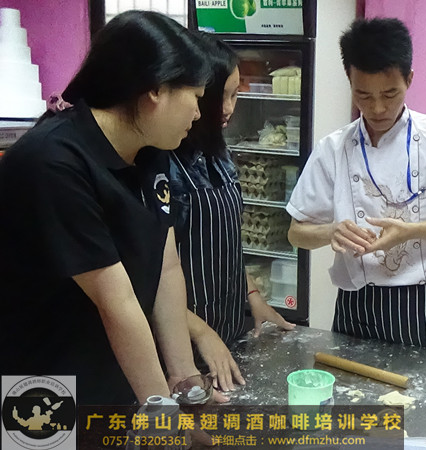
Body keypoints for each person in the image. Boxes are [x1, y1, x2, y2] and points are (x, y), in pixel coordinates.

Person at [0, 11, 214, 405]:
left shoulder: (150, 151)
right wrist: (163, 415)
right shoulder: (53, 162)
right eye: (196, 98)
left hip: (111, 379)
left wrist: (185, 382)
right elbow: (117, 302)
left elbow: (165, 266)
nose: (198, 114)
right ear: (156, 90)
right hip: (40, 387)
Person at [286, 18, 426, 351]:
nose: (377, 108)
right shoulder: (333, 148)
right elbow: (297, 233)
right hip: (356, 305)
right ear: (350, 81)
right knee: (351, 385)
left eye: (389, 93)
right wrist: (331, 231)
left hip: (425, 306)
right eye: (363, 95)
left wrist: (411, 231)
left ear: (409, 79)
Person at [169, 35, 295, 392]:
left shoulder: (219, 154)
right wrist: (201, 332)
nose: (227, 108)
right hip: (182, 345)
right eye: (217, 97)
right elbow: (147, 280)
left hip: (227, 331)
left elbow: (224, 243)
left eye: (235, 95)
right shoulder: (162, 164)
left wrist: (252, 294)